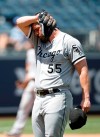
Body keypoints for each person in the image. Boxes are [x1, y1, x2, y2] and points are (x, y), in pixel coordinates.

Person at [16, 10, 91, 137]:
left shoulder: (69, 42)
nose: (35, 33)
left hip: (58, 97)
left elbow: (82, 69)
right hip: (38, 98)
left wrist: (86, 98)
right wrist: (36, 18)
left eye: (37, 29)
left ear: (46, 26)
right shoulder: (38, 40)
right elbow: (19, 22)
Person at [7, 45, 36, 137]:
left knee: (42, 110)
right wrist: (24, 83)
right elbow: (28, 70)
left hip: (41, 83)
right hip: (31, 82)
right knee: (23, 107)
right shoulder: (29, 52)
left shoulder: (45, 50)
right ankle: (16, 131)